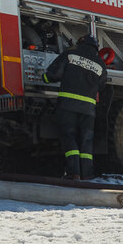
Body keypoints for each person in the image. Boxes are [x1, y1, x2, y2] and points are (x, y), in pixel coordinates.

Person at [44, 34, 108, 180]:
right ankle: (87, 174)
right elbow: (102, 85)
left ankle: (74, 173)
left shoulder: (70, 55)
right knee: (86, 141)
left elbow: (53, 74)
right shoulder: (100, 64)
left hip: (68, 106)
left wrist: (44, 77)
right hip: (88, 110)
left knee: (69, 137)